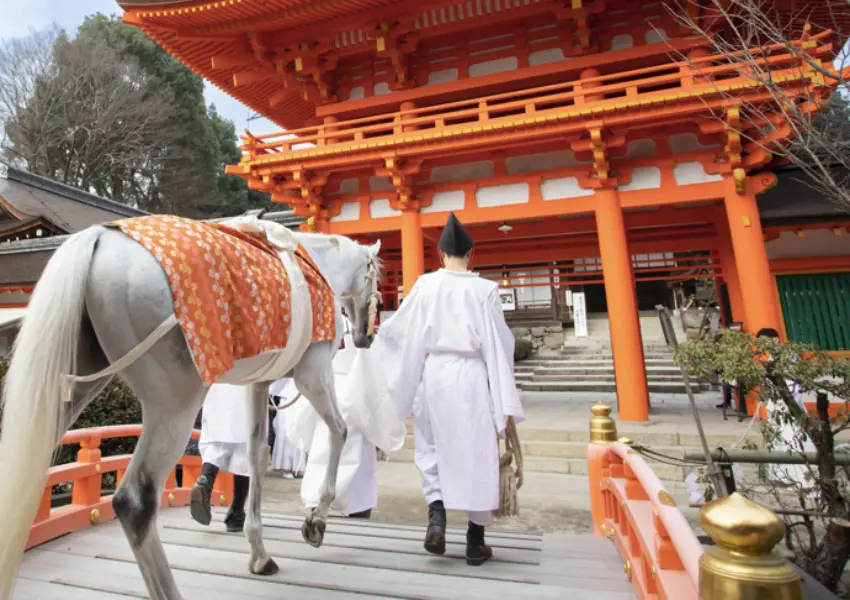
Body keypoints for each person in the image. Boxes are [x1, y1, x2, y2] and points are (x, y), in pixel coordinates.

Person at [373, 212, 524, 566]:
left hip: (435, 374)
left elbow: (398, 331)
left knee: (431, 446)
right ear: (471, 255)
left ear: (440, 255)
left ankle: (436, 521)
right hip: (472, 377)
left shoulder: (426, 286)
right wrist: (501, 389)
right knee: (478, 451)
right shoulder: (485, 290)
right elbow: (501, 343)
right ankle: (475, 540)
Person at [285, 322, 406, 519]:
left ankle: (318, 501)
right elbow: (372, 364)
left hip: (325, 393)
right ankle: (349, 504)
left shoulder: (324, 318)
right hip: (355, 391)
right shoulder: (361, 322)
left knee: (323, 449)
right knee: (353, 451)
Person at [190, 383, 251, 533]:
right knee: (245, 450)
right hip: (247, 386)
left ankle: (206, 479)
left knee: (215, 443)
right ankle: (236, 512)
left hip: (218, 384)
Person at [269, 377, 307, 478]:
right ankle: (286, 466)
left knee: (300, 430)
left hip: (301, 394)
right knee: (285, 432)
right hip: (286, 396)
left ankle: (299, 466)